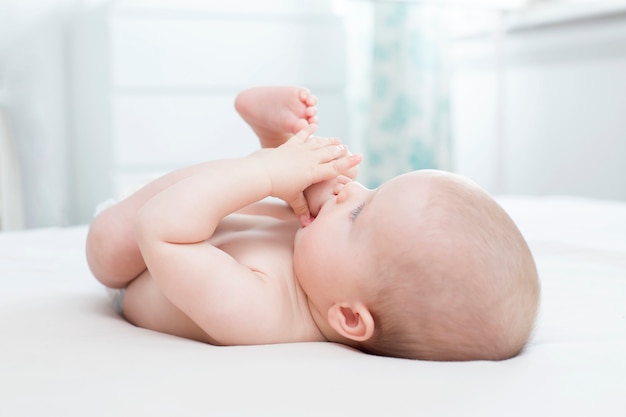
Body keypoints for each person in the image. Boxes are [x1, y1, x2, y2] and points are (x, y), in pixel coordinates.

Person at [86, 86, 540, 361]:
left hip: (142, 259)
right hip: (205, 213)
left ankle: (269, 153)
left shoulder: (263, 315)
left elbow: (159, 232)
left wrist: (265, 170)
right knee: (303, 191)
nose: (352, 192)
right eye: (375, 190)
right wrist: (295, 163)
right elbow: (323, 205)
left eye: (361, 213)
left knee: (107, 249)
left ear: (347, 315)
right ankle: (278, 135)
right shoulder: (327, 264)